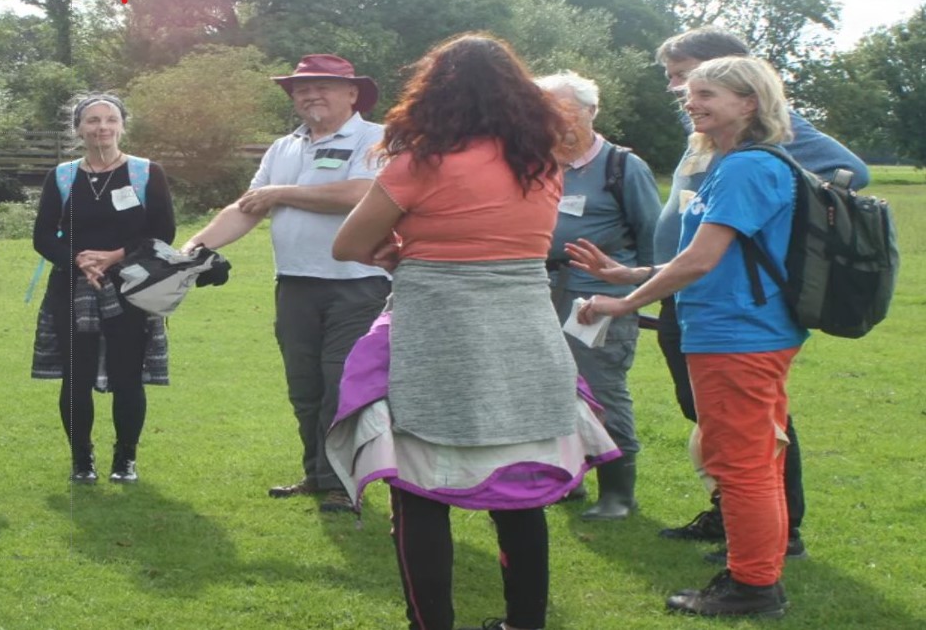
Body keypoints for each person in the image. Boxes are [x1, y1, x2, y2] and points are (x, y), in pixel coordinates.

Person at [330, 35, 618, 630]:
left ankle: (430, 623)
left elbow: (350, 243)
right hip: (523, 334)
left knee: (417, 490)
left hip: (437, 334)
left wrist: (399, 252)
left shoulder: (420, 164)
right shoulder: (541, 166)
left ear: (435, 95)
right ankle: (525, 623)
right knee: (521, 494)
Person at [573, 56, 810, 618]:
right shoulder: (730, 163)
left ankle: (752, 586)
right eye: (690, 93)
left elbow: (702, 261)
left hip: (737, 335)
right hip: (739, 329)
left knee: (741, 463)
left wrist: (624, 303)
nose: (691, 102)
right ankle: (759, 572)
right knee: (757, 459)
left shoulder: (748, 167)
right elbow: (708, 256)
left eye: (707, 94)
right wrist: (628, 273)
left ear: (748, 102)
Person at [649, 28, 868, 559]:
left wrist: (773, 219)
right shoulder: (711, 136)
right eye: (677, 80)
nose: (680, 91)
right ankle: (736, 515)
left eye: (688, 78)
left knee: (752, 428)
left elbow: (851, 173)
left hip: (734, 301)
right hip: (695, 295)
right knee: (710, 416)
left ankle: (777, 531)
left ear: (739, 83)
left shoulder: (760, 147)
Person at [182, 54, 390, 513]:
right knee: (304, 387)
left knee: (341, 383)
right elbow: (246, 207)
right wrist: (193, 247)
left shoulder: (376, 139)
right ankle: (317, 474)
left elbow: (361, 194)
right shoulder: (284, 147)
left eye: (323, 86)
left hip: (358, 284)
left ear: (353, 93)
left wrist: (281, 193)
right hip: (295, 284)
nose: (310, 95)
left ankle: (341, 480)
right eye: (301, 89)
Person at [31, 94, 176, 484]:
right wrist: (78, 260)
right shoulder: (61, 177)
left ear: (122, 125)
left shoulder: (147, 173)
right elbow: (43, 236)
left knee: (127, 374)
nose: (102, 127)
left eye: (110, 119)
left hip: (130, 287)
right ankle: (82, 460)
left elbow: (163, 234)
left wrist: (114, 257)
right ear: (78, 128)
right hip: (70, 287)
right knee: (75, 377)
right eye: (92, 120)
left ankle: (125, 458)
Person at [537, 71, 661, 520]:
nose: (557, 121)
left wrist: (639, 294)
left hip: (597, 297)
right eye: (547, 111)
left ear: (592, 112)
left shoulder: (622, 166)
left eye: (568, 110)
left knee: (600, 388)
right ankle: (567, 480)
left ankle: (617, 492)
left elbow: (655, 238)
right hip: (538, 292)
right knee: (549, 387)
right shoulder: (534, 162)